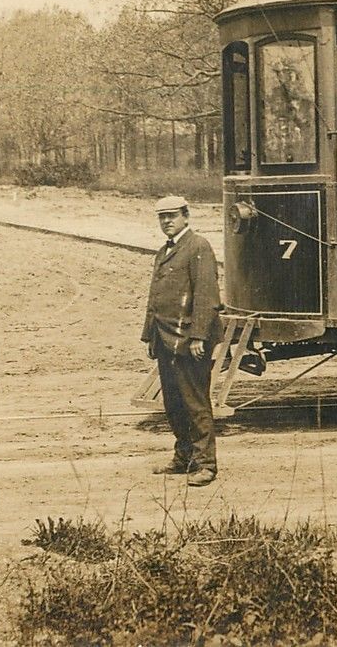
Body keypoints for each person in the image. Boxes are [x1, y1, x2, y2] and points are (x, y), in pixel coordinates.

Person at [140, 195, 223, 487]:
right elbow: (155, 297)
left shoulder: (198, 246)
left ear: (186, 216)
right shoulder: (163, 252)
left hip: (190, 340)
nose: (167, 222)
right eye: (162, 217)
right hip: (165, 339)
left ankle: (206, 465)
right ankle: (184, 456)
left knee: (195, 401)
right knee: (173, 402)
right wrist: (150, 335)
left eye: (172, 216)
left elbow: (207, 296)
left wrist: (199, 336)